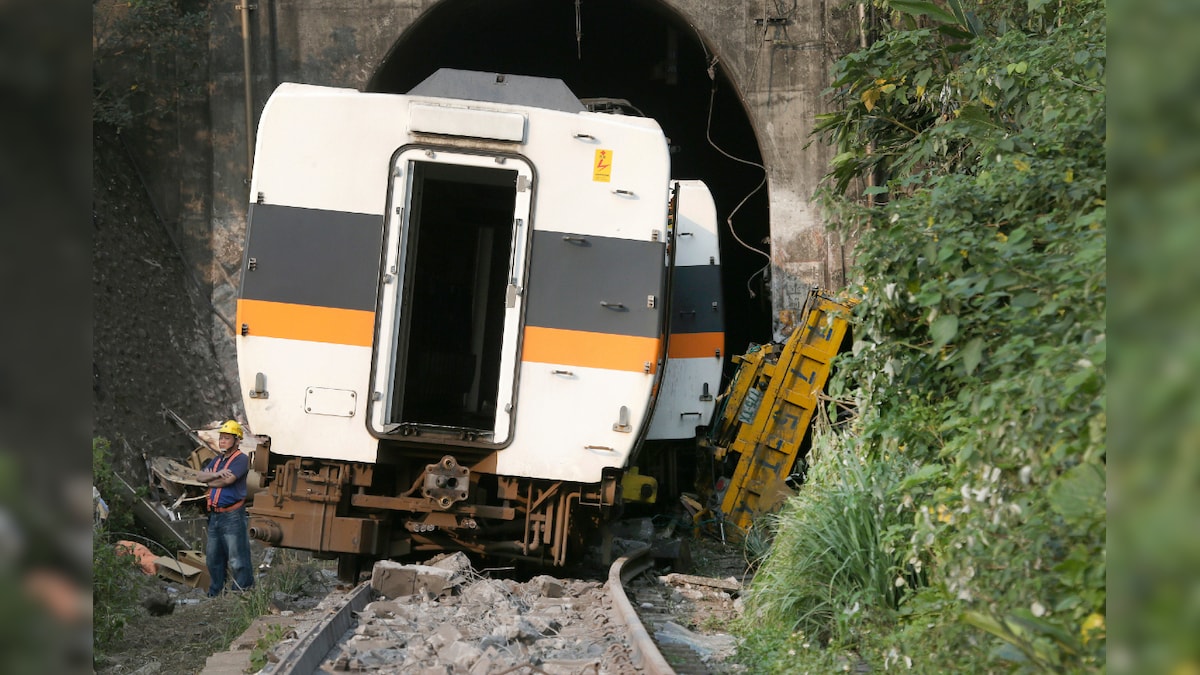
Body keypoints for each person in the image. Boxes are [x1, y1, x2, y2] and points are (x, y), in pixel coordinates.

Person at [197, 419, 254, 596]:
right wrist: (215, 474)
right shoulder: (217, 460)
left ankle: (241, 592)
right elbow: (199, 477)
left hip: (232, 514)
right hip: (215, 516)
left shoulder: (241, 459)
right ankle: (216, 593)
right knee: (213, 558)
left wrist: (211, 481)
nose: (222, 441)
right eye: (221, 438)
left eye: (227, 438)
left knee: (237, 558)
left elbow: (227, 480)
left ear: (237, 440)